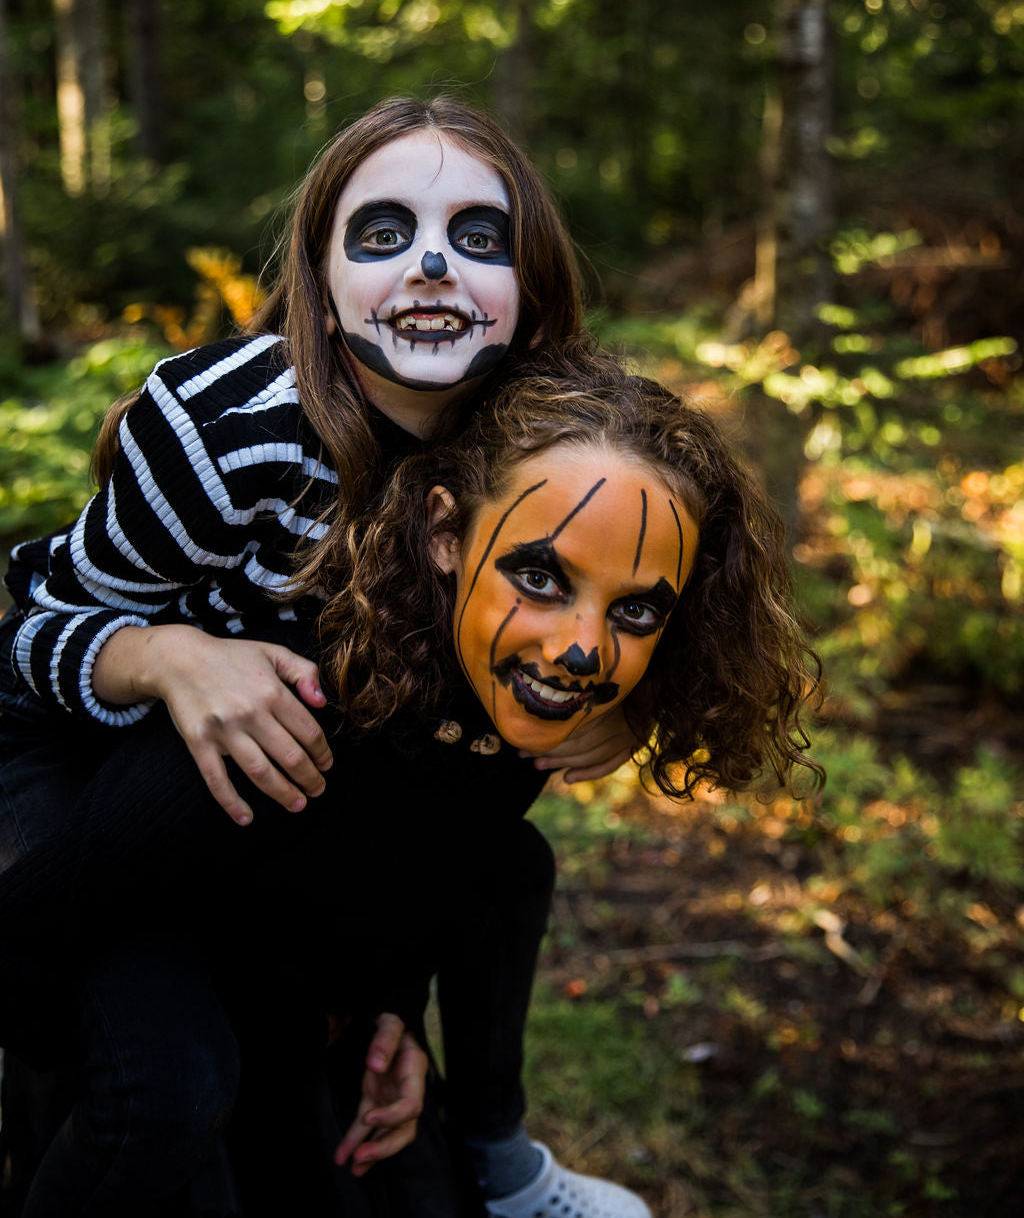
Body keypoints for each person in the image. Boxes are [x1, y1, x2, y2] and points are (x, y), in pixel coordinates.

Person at [0, 96, 651, 1218]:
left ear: (532, 286)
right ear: (321, 272)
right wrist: (167, 658)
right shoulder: (228, 428)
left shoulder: (544, 455)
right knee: (167, 1083)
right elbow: (30, 643)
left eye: (480, 239)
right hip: (84, 757)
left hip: (278, 794)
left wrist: (385, 990)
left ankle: (488, 1156)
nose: (435, 264)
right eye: (384, 232)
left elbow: (436, 768)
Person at [0, 336, 822, 1218]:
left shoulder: (507, 707)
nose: (584, 647)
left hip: (299, 968)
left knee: (512, 867)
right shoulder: (284, 716)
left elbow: (424, 857)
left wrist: (385, 1002)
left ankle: (498, 1165)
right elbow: (29, 942)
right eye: (539, 575)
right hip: (137, 972)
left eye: (635, 609)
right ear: (442, 533)